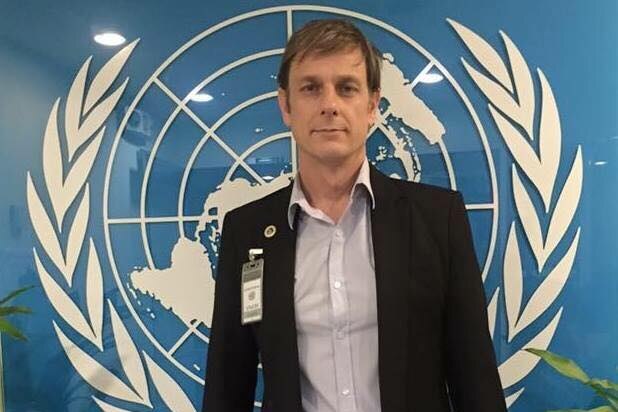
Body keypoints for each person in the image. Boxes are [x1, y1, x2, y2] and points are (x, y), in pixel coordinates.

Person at [202, 19, 507, 412]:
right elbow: (228, 381)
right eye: (310, 88)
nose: (329, 104)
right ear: (286, 107)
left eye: (346, 88)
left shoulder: (437, 218)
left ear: (372, 106)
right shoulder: (247, 232)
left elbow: (475, 375)